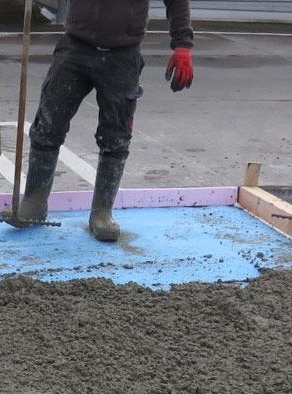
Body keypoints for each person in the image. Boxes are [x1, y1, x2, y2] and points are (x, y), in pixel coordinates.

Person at [17, 0, 194, 241]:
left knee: (116, 136)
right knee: (48, 124)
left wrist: (182, 44)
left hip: (123, 55)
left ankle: (102, 213)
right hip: (75, 48)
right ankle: (34, 202)